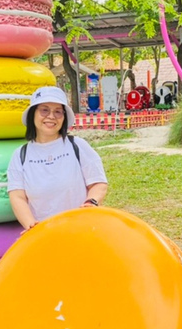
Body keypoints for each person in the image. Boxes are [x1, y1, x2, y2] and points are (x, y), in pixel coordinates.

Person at [7, 86, 109, 231]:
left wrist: (91, 202)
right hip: (43, 235)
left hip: (81, 229)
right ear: (33, 114)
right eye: (44, 110)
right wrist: (31, 226)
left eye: (58, 112)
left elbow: (98, 183)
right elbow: (17, 197)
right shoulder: (20, 155)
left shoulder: (78, 146)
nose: (51, 116)